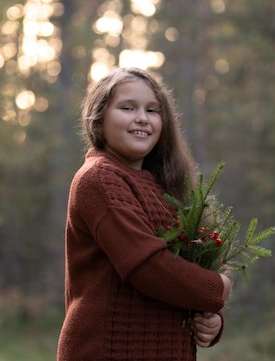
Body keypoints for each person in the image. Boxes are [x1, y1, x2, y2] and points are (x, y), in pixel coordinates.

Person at [57, 67, 232, 361]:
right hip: (109, 349)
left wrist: (209, 320)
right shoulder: (99, 178)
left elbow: (185, 269)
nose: (142, 117)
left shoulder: (165, 186)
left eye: (152, 110)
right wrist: (217, 289)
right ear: (98, 121)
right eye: (128, 108)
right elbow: (148, 269)